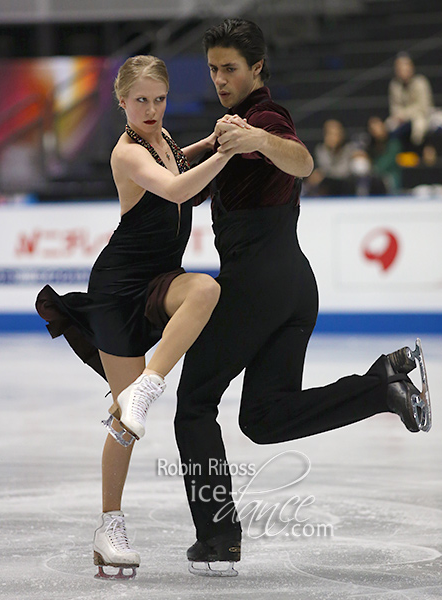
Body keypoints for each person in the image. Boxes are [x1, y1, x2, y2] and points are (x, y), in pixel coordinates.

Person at [173, 19, 431, 577]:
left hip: (258, 285)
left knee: (193, 404)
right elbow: (186, 195)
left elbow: (302, 160)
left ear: (258, 68)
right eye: (214, 69)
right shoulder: (229, 129)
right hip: (292, 287)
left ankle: (218, 539)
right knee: (264, 418)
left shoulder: (266, 118)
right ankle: (381, 386)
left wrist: (259, 140)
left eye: (231, 68)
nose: (220, 78)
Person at [35, 55, 237, 579]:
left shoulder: (164, 140)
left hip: (161, 278)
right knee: (125, 424)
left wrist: (213, 142)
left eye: (159, 99)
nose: (151, 109)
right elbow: (174, 188)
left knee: (205, 290)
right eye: (140, 100)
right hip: (119, 290)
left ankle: (150, 384)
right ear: (122, 102)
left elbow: (178, 164)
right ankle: (109, 526)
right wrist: (229, 153)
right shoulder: (126, 152)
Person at [386, 53, 434, 150]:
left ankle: (417, 151)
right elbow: (394, 107)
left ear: (411, 68)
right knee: (387, 126)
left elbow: (423, 107)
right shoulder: (394, 85)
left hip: (421, 116)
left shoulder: (420, 82)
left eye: (406, 67)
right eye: (400, 68)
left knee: (419, 126)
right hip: (400, 118)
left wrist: (404, 114)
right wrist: (399, 116)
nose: (403, 71)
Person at [305, 119, 356, 196]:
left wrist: (324, 172)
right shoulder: (321, 149)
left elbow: (344, 171)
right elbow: (324, 166)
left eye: (336, 134)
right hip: (328, 184)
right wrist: (332, 150)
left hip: (345, 183)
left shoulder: (348, 149)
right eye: (330, 134)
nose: (333, 137)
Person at [366, 116, 402, 194]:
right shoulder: (370, 147)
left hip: (390, 178)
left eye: (378, 126)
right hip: (375, 181)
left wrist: (374, 169)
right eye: (373, 129)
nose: (376, 131)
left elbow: (385, 163)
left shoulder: (393, 144)